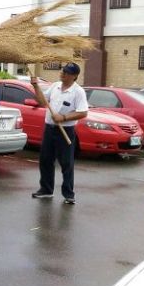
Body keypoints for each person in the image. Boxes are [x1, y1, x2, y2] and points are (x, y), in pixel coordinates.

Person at [30, 62, 88, 205]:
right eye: (63, 71)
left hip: (65, 130)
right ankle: (46, 190)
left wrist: (63, 117)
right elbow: (42, 102)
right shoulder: (55, 86)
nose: (63, 74)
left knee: (66, 163)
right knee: (45, 160)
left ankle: (69, 194)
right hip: (49, 128)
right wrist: (35, 86)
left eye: (66, 72)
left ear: (74, 76)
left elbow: (83, 112)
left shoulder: (78, 91)